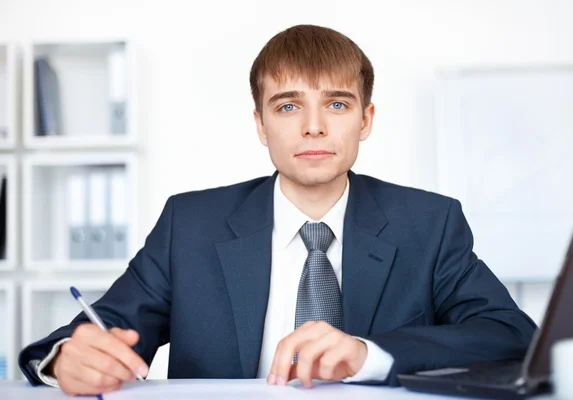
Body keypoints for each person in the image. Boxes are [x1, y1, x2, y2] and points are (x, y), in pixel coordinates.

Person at [18, 24, 537, 396]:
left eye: (336, 104)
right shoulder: (190, 225)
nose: (313, 126)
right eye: (288, 106)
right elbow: (98, 329)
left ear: (366, 119)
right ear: (262, 125)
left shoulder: (428, 222)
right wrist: (68, 357)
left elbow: (511, 335)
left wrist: (367, 354)